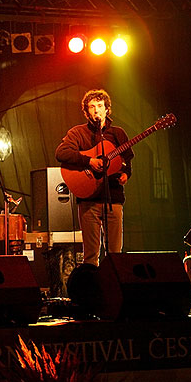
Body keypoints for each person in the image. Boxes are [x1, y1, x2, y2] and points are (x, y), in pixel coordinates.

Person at [55, 89, 134, 266]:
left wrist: (125, 174)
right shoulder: (78, 132)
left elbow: (127, 161)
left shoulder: (118, 134)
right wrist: (89, 161)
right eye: (91, 107)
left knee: (115, 254)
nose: (96, 110)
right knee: (90, 256)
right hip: (88, 200)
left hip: (113, 199)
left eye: (100, 106)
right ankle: (92, 290)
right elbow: (61, 153)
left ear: (107, 109)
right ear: (86, 111)